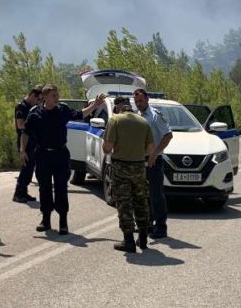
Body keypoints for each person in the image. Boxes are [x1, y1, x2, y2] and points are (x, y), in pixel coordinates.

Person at [24, 84, 106, 235]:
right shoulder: (35, 113)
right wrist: (22, 151)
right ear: (45, 97)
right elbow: (26, 133)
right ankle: (46, 219)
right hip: (42, 154)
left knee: (61, 187)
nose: (57, 98)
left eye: (57, 95)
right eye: (54, 95)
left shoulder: (63, 110)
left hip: (60, 154)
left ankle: (63, 221)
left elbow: (80, 114)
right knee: (44, 188)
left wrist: (95, 105)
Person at [103, 96, 154, 253]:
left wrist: (119, 149)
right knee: (141, 202)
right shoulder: (143, 122)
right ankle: (143, 238)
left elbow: (107, 148)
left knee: (124, 204)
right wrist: (136, 152)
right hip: (139, 167)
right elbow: (151, 149)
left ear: (118, 107)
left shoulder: (115, 120)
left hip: (120, 167)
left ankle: (129, 241)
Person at [133, 87, 173, 239]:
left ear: (147, 99)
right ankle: (147, 225)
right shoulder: (136, 115)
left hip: (153, 161)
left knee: (156, 195)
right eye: (136, 101)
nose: (139, 104)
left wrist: (155, 153)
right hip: (139, 161)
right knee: (142, 195)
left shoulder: (155, 116)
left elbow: (168, 135)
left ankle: (161, 227)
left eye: (141, 101)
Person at [13, 85, 43, 203]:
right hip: (24, 141)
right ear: (32, 95)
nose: (39, 102)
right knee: (25, 168)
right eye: (38, 99)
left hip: (32, 141)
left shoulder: (32, 107)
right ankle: (18, 193)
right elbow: (20, 125)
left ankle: (23, 192)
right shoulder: (22, 107)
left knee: (30, 168)